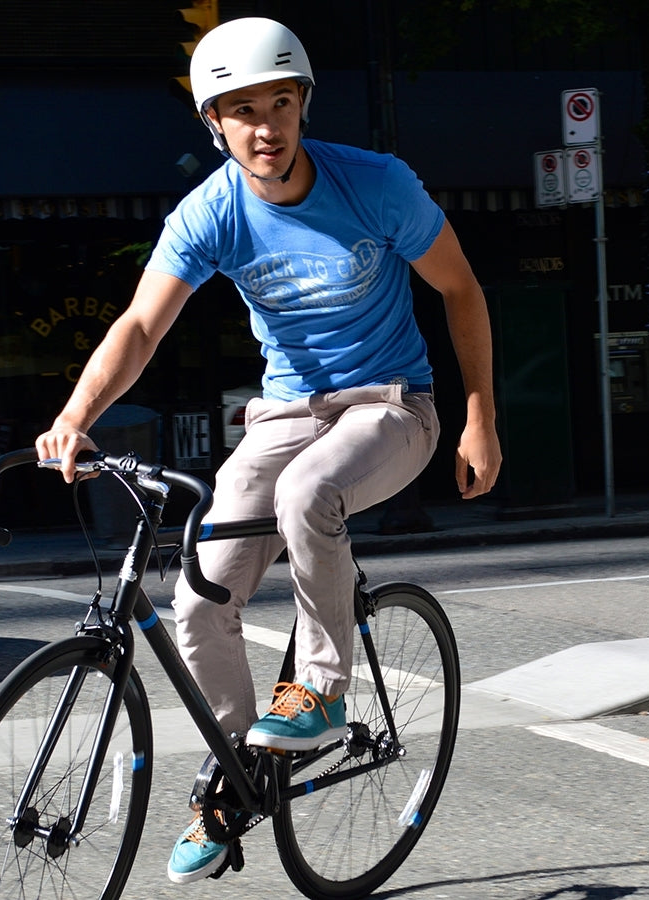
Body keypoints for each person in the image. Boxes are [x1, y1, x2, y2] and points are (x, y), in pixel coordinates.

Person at [34, 16, 502, 884]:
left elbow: (462, 289)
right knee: (198, 592)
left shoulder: (378, 186)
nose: (265, 128)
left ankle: (320, 688)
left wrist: (480, 418)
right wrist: (75, 415)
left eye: (279, 104)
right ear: (214, 125)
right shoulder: (210, 212)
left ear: (302, 105)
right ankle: (233, 781)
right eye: (241, 111)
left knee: (306, 496)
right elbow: (140, 325)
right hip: (285, 413)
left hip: (394, 407)